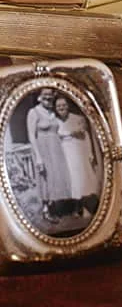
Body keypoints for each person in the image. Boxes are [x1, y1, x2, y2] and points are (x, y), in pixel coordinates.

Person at [25, 89, 71, 224]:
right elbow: (31, 136)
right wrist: (38, 156)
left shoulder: (52, 112)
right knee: (45, 178)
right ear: (39, 96)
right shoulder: (33, 112)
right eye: (45, 94)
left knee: (56, 177)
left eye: (50, 94)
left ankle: (55, 207)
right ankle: (45, 210)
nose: (48, 96)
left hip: (56, 149)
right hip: (43, 149)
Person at [54, 96, 100, 219]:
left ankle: (86, 208)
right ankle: (76, 208)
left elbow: (86, 137)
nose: (61, 108)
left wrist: (90, 153)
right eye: (58, 106)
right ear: (55, 108)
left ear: (68, 106)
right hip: (66, 156)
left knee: (82, 180)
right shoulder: (55, 122)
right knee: (73, 182)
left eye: (63, 105)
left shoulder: (77, 119)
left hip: (79, 154)